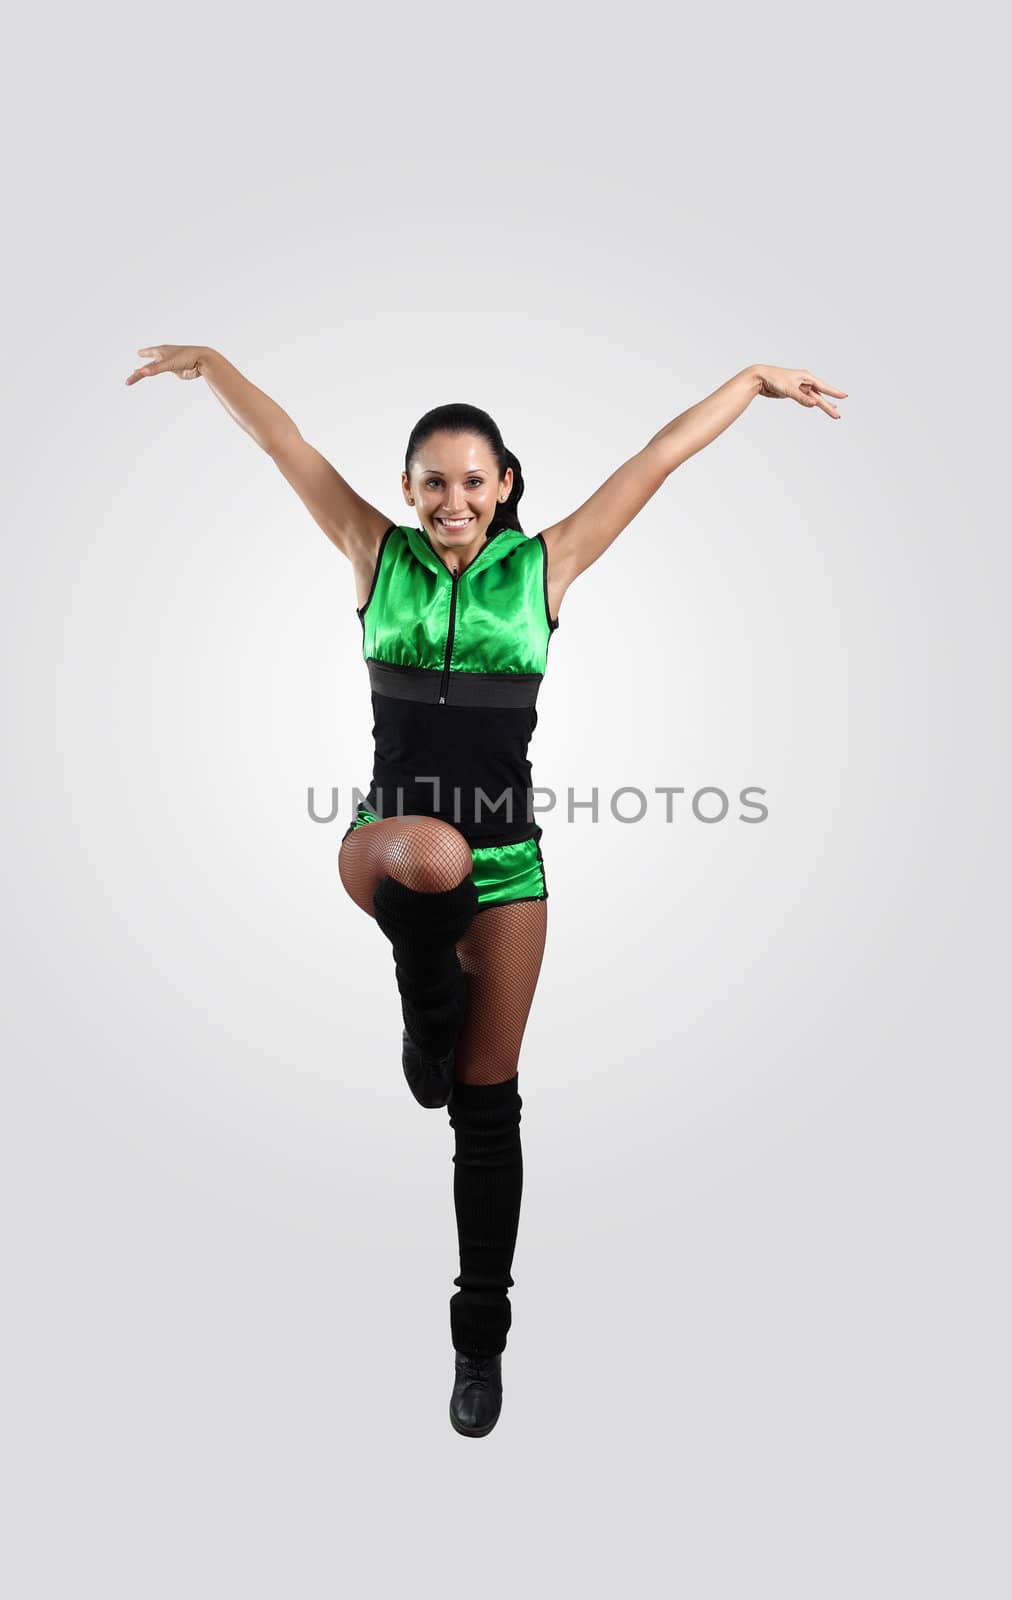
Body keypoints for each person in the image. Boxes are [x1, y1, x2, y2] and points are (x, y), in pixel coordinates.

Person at [126, 345, 847, 1436]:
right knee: (432, 860)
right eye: (431, 482)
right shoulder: (376, 554)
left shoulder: (542, 570)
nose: (452, 501)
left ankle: (477, 1339)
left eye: (472, 481)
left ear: (503, 483)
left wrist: (747, 384)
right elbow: (285, 444)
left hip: (514, 864)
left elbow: (653, 461)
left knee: (485, 1109)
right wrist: (211, 365)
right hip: (390, 841)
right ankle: (423, 998)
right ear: (407, 489)